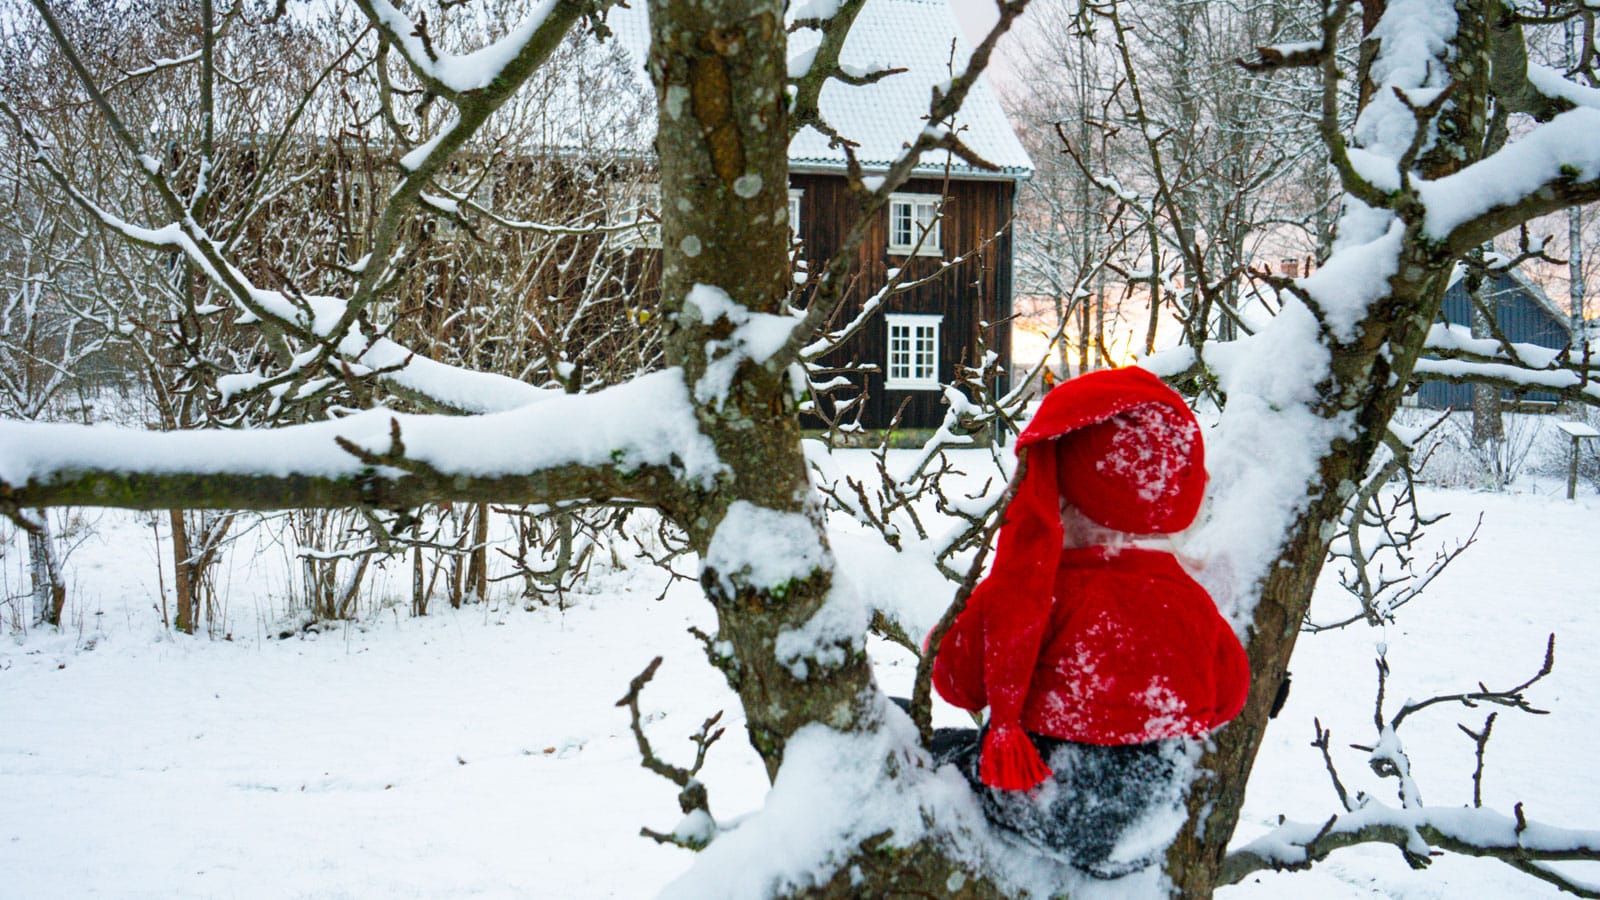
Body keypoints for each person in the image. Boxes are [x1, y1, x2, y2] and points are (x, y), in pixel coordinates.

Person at [926, 366, 1249, 877]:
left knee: (921, 744)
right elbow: (1230, 695)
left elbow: (952, 680)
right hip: (1148, 827)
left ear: (1059, 490)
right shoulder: (1190, 602)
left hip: (1039, 803)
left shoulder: (1034, 591)